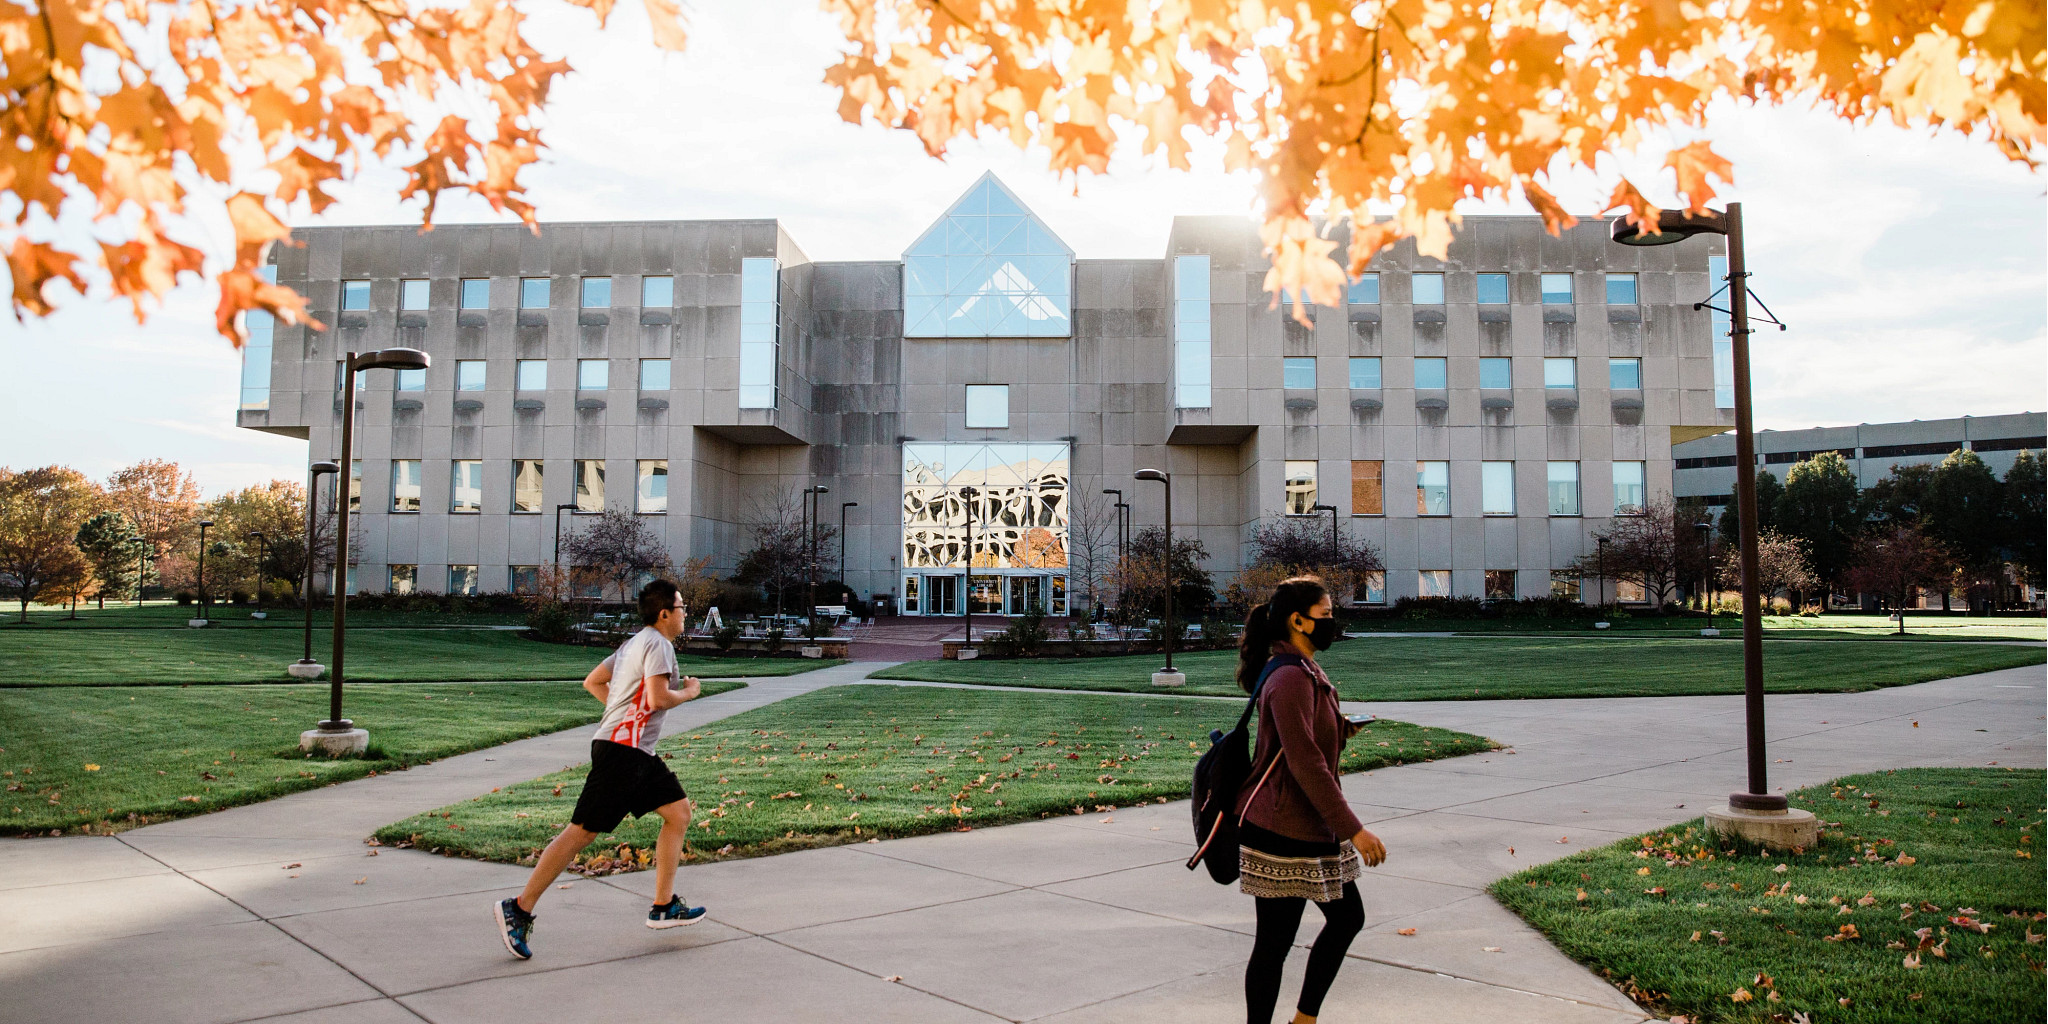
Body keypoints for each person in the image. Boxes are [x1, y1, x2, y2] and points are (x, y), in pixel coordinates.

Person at [494, 579, 707, 960]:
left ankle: (663, 906)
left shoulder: (631, 645)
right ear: (664, 614)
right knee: (581, 832)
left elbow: (593, 681)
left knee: (678, 813)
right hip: (623, 754)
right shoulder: (658, 644)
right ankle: (519, 907)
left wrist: (621, 715)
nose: (684, 612)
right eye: (680, 607)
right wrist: (690, 692)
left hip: (635, 751)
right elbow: (658, 699)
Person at [1233, 576, 1387, 1024]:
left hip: (1308, 825)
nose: (1332, 623)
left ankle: (1304, 1018)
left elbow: (1305, 743)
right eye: (1326, 615)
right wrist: (1354, 830)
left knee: (1343, 920)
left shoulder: (1304, 670)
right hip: (1281, 829)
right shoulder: (1289, 679)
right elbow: (1305, 765)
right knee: (1276, 943)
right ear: (1297, 621)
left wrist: (1340, 728)